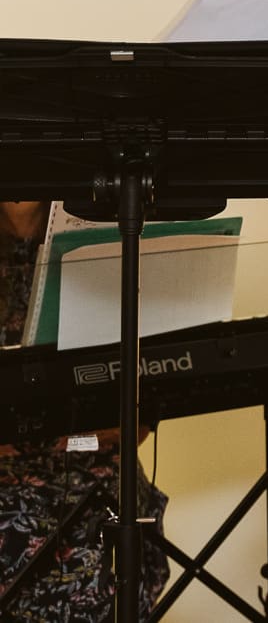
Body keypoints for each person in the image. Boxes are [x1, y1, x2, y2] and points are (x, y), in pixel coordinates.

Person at [0, 201, 171, 621]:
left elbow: (138, 422)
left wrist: (88, 439)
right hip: (8, 473)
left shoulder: (102, 225)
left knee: (110, 516)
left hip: (84, 451)